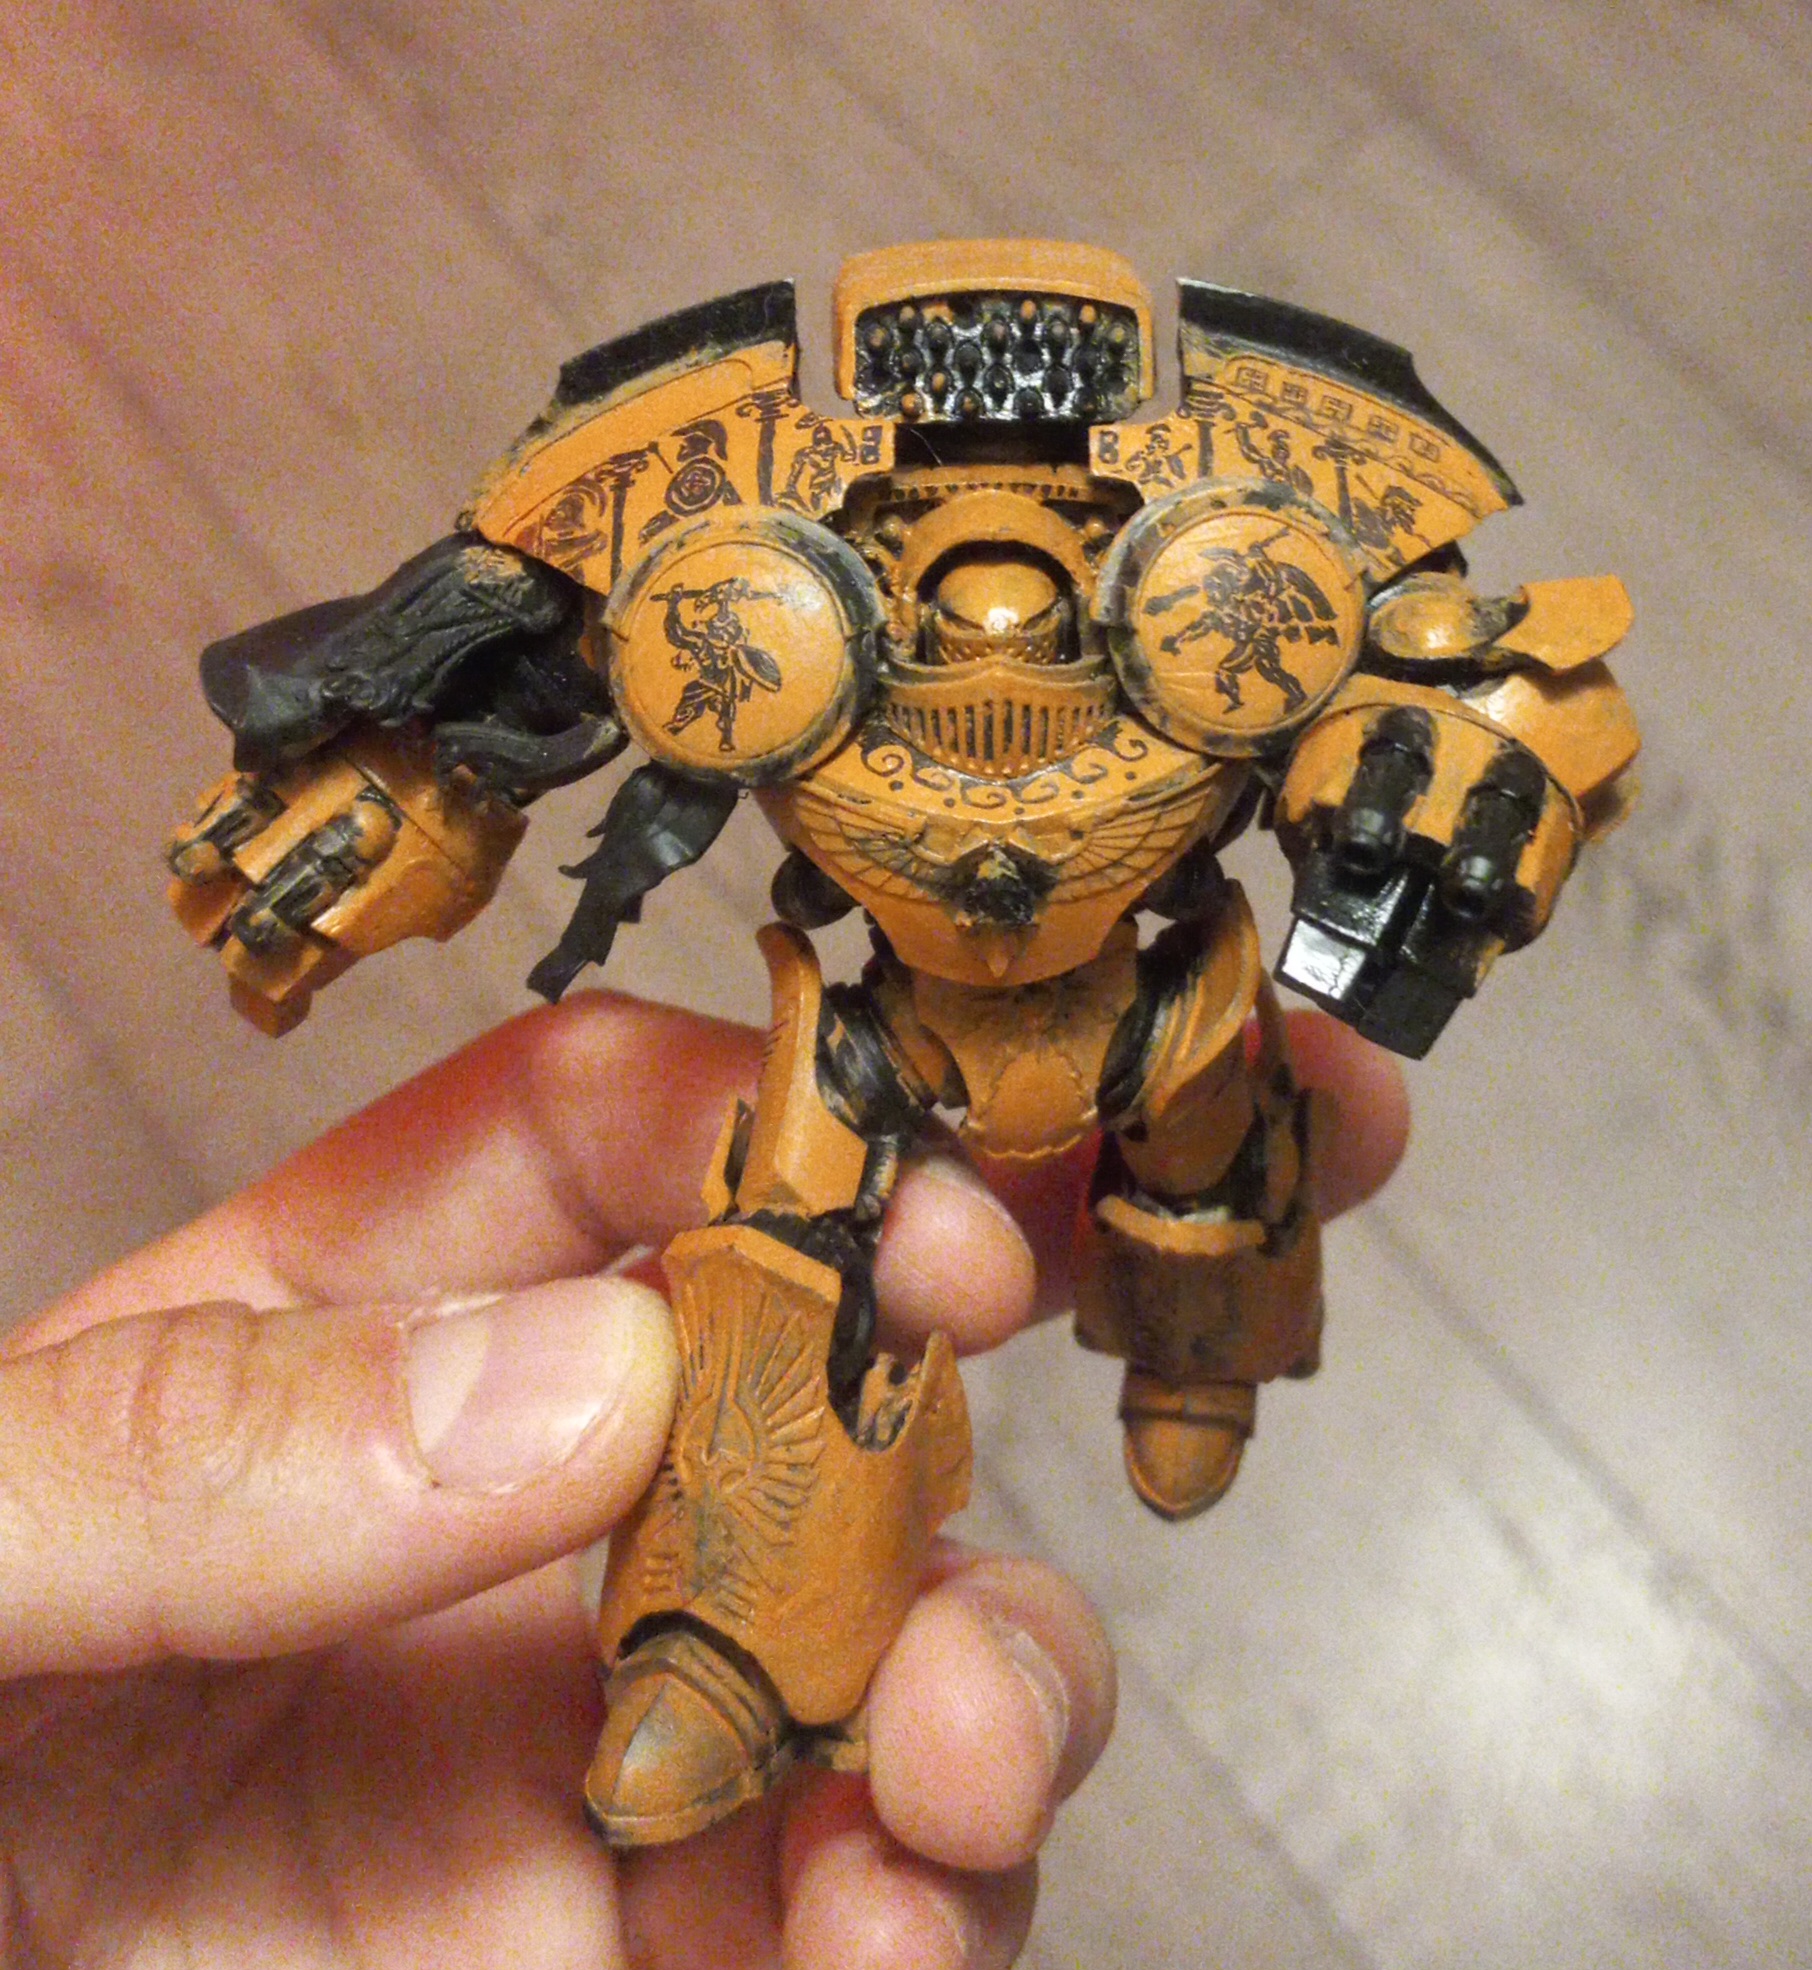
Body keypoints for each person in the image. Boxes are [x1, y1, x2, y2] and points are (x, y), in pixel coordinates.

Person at [0, 987, 1406, 1967]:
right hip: (851, 1106)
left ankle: (1207, 1286)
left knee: (1187, 1101)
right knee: (821, 1161)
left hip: (1092, 981)